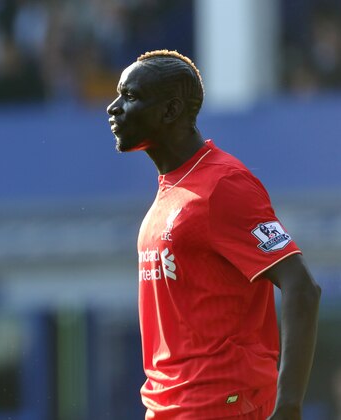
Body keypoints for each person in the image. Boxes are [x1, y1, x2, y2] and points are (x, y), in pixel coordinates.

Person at [106, 50, 321, 419]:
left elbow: (302, 287)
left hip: (223, 405)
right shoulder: (170, 190)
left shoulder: (224, 184)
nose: (113, 108)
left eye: (130, 96)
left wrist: (288, 405)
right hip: (166, 408)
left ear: (171, 110)